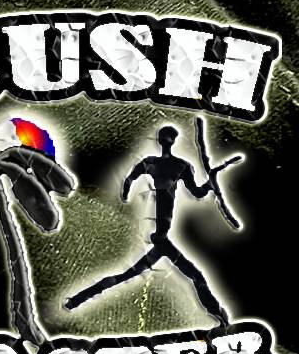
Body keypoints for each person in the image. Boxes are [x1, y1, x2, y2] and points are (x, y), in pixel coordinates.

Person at [63, 125, 233, 328]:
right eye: (166, 138)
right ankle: (221, 319)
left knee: (129, 275)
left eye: (166, 138)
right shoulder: (170, 165)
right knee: (195, 276)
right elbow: (196, 192)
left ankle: (75, 301)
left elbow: (196, 192)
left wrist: (210, 184)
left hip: (161, 238)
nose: (166, 141)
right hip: (161, 238)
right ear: (169, 140)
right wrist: (210, 184)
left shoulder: (173, 165)